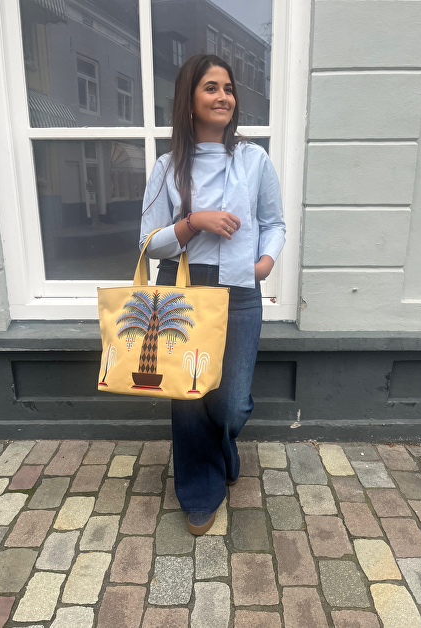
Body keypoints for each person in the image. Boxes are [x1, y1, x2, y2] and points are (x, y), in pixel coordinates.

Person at [140, 54, 285, 535]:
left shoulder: (254, 159)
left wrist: (265, 263)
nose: (224, 96)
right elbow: (148, 242)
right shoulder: (167, 167)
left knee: (232, 401)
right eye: (211, 87)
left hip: (240, 288)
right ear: (189, 99)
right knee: (189, 394)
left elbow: (274, 223)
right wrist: (192, 222)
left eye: (228, 88)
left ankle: (222, 449)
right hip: (183, 288)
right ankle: (200, 490)